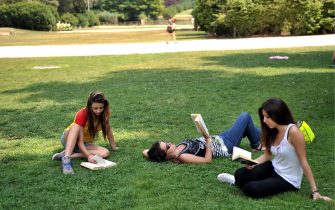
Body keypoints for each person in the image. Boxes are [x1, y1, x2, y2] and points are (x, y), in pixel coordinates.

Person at [217, 98, 332, 201]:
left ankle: (247, 183)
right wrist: (253, 163)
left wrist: (316, 192)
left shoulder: (293, 132)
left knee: (251, 188)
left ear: (278, 115)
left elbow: (303, 161)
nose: (264, 121)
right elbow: (267, 155)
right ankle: (237, 180)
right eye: (263, 117)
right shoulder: (271, 131)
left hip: (288, 179)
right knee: (239, 174)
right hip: (273, 167)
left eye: (267, 117)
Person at [142, 112, 263, 164]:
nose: (170, 143)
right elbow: (207, 161)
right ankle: (256, 145)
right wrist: (208, 143)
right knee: (245, 116)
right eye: (167, 146)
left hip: (220, 138)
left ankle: (272, 135)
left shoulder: (169, 152)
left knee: (253, 129)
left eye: (166, 142)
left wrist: (151, 153)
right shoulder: (183, 156)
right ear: (166, 155)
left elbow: (146, 152)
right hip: (226, 147)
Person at [52, 91, 118, 175]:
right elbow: (79, 143)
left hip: (84, 143)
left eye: (101, 108)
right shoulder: (82, 114)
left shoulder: (104, 114)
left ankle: (69, 155)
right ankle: (66, 161)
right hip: (69, 138)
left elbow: (108, 130)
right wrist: (88, 156)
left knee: (105, 153)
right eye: (95, 108)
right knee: (75, 126)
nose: (98, 111)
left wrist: (114, 146)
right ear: (90, 106)